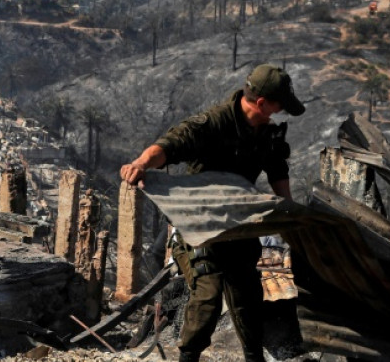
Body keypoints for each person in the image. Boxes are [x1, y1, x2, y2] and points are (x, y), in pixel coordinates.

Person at [119, 63, 305, 362]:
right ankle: (188, 358)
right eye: (277, 106)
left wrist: (289, 213)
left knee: (247, 299)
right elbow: (172, 144)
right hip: (199, 227)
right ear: (261, 102)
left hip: (237, 225)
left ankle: (253, 357)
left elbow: (277, 171)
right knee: (207, 294)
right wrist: (141, 163)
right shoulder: (214, 123)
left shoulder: (267, 134)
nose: (278, 112)